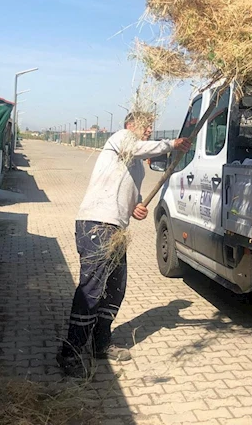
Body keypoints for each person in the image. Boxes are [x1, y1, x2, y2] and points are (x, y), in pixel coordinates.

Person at [56, 112, 191, 377]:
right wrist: (172, 144)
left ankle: (101, 344)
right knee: (92, 289)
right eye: (145, 125)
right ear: (131, 125)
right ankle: (70, 352)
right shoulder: (122, 139)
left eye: (152, 125)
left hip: (117, 229)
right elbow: (138, 147)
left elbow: (132, 199)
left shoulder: (137, 166)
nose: (150, 129)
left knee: (115, 288)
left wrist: (137, 208)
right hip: (96, 224)